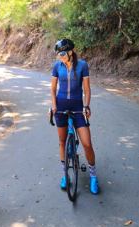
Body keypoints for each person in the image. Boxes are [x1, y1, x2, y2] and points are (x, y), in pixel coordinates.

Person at [49, 38, 99, 194]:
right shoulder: (57, 66)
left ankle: (93, 176)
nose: (60, 56)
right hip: (61, 105)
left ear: (70, 52)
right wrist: (55, 106)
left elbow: (87, 89)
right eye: (58, 54)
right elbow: (52, 89)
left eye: (63, 53)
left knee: (87, 143)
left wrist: (87, 106)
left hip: (78, 106)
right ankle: (65, 175)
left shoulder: (83, 65)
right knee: (62, 141)